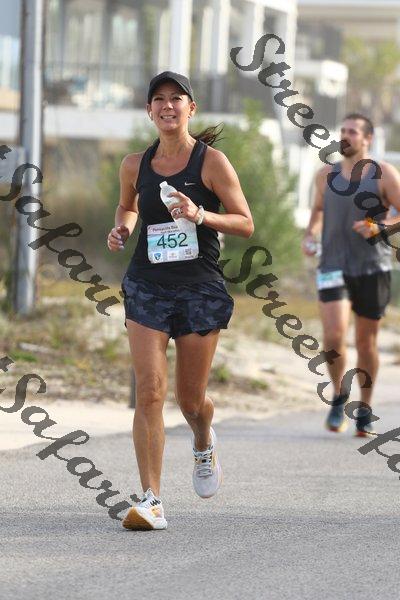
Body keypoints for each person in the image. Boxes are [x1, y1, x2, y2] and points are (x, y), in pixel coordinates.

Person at [107, 71, 254, 530]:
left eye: (176, 98)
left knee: (190, 400)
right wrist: (123, 227)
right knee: (149, 391)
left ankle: (203, 439)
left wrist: (200, 214)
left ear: (191, 108)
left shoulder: (212, 162)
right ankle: (151, 499)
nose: (167, 106)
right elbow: (128, 205)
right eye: (159, 99)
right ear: (149, 110)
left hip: (199, 289)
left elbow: (245, 222)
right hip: (147, 285)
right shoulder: (134, 164)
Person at [302, 113, 400, 437]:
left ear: (367, 138)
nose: (345, 135)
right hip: (332, 265)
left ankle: (365, 408)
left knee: (365, 342)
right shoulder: (324, 175)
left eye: (353, 131)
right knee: (333, 335)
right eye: (342, 130)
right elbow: (318, 211)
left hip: (373, 268)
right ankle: (339, 395)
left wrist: (379, 226)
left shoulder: (384, 173)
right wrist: (310, 234)